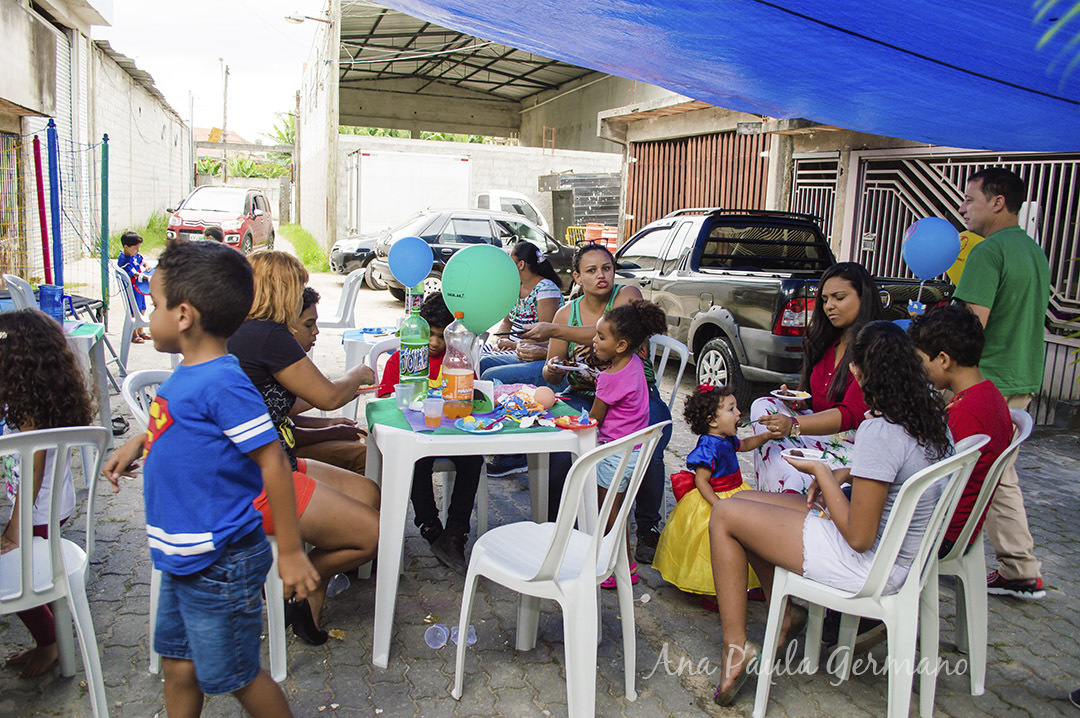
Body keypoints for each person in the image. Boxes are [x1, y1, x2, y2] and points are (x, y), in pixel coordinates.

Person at [102, 240, 319, 716]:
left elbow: (272, 463)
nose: (148, 315)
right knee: (179, 667)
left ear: (183, 316)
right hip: (183, 556)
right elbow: (181, 424)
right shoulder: (188, 374)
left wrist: (289, 551)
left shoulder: (223, 382)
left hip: (219, 560)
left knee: (236, 676)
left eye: (154, 305)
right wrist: (138, 443)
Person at [706, 321, 953, 706]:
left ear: (860, 374)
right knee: (743, 503)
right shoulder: (931, 419)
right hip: (900, 553)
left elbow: (859, 537)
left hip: (867, 564)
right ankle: (783, 614)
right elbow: (899, 471)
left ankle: (735, 650)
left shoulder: (881, 430)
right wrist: (846, 472)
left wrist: (822, 472)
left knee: (724, 516)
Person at [227, 251, 380, 643]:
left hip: (274, 462)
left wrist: (329, 404)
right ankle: (305, 579)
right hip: (255, 481)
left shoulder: (247, 331)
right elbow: (328, 396)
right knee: (375, 535)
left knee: (369, 493)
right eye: (296, 285)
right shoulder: (267, 333)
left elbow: (291, 401)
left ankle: (307, 602)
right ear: (280, 288)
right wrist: (356, 374)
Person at [523, 243, 672, 564]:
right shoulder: (566, 311)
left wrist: (554, 330)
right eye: (591, 271)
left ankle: (647, 527)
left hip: (635, 396)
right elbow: (552, 372)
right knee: (562, 445)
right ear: (577, 276)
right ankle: (559, 527)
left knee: (650, 445)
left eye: (606, 268)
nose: (601, 276)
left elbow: (609, 329)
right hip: (583, 394)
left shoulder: (626, 296)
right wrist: (552, 368)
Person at [953, 167, 1050, 599]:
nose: (963, 208)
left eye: (970, 199)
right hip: (1022, 374)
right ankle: (1018, 567)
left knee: (987, 472)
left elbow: (970, 327)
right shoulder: (1034, 252)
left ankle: (1015, 566)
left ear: (997, 202)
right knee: (998, 470)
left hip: (985, 380)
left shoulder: (988, 252)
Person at [0, 309, 96, 678]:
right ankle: (55, 639)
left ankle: (52, 643)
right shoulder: (43, 397)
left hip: (36, 511)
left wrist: (15, 528)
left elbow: (33, 469)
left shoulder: (30, 415)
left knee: (17, 577)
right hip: (52, 505)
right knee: (32, 569)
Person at [751, 262, 883, 493]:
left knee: (785, 458)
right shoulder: (827, 343)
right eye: (824, 300)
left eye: (839, 297)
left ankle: (790, 486)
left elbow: (852, 413)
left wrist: (794, 425)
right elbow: (816, 399)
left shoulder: (874, 346)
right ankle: (785, 479)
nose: (829, 306)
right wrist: (799, 401)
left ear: (864, 298)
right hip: (816, 433)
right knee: (763, 406)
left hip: (851, 446)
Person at [376, 292, 482, 574]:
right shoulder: (399, 360)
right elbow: (387, 404)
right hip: (414, 438)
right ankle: (430, 527)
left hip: (450, 435)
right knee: (416, 461)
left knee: (473, 459)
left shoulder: (459, 362)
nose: (435, 343)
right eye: (430, 335)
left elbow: (472, 398)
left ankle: (457, 531)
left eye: (441, 337)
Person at [909, 304, 1018, 561]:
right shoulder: (988, 395)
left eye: (921, 360)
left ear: (944, 359)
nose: (920, 369)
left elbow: (925, 473)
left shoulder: (967, 412)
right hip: (958, 526)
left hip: (939, 532)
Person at [652, 384, 775, 609]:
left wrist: (766, 436)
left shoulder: (727, 438)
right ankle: (714, 590)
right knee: (712, 547)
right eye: (731, 409)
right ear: (712, 420)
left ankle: (746, 583)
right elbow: (701, 480)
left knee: (745, 538)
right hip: (715, 498)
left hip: (737, 490)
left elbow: (746, 444)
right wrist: (718, 505)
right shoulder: (709, 445)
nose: (739, 413)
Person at [582, 299, 667, 588]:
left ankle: (622, 568)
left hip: (614, 455)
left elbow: (594, 419)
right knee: (617, 511)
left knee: (608, 513)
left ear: (621, 345)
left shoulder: (608, 379)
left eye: (601, 337)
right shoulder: (635, 364)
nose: (594, 340)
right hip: (635, 451)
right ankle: (615, 563)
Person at [480, 241, 565, 478]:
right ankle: (491, 434)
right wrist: (501, 337)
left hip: (544, 356)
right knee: (482, 362)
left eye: (509, 258)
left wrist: (514, 344)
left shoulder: (545, 289)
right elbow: (506, 322)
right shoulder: (513, 286)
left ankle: (515, 453)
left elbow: (546, 337)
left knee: (490, 376)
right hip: (520, 350)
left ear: (520, 264)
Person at [289, 287, 368, 475]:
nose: (316, 331)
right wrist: (332, 431)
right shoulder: (276, 354)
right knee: (365, 455)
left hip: (288, 445)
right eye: (308, 325)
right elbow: (328, 398)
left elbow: (286, 416)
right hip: (283, 456)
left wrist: (328, 423)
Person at [117, 229, 152, 342]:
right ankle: (134, 334)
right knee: (134, 310)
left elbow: (142, 260)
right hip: (131, 288)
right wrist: (146, 277)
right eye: (135, 248)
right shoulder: (123, 260)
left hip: (138, 287)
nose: (137, 251)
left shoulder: (135, 255)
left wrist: (146, 266)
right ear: (126, 247)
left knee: (142, 307)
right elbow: (134, 273)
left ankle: (141, 332)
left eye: (139, 248)